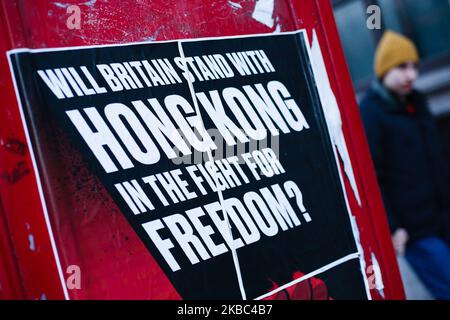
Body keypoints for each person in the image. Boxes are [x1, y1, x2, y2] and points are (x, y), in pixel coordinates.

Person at [360, 30, 450, 299]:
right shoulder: (371, 112)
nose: (411, 75)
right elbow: (373, 176)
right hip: (415, 230)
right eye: (402, 67)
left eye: (414, 67)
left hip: (442, 217)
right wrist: (391, 226)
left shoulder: (417, 101)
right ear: (384, 70)